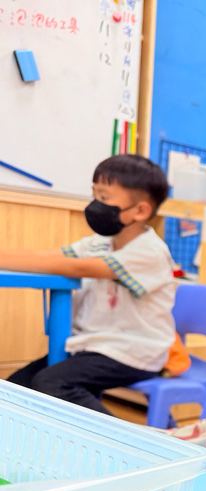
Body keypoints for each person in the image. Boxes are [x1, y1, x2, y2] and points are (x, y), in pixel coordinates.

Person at [0, 155, 175, 414]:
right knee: (16, 388)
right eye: (94, 195)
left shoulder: (150, 252)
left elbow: (76, 267)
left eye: (104, 198)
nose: (95, 204)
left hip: (134, 351)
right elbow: (48, 256)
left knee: (53, 383)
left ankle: (119, 438)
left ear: (140, 211)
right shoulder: (98, 243)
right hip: (93, 346)